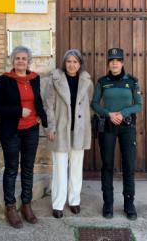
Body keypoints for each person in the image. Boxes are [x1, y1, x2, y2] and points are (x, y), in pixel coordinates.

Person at [0, 46, 48, 229]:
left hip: (31, 129)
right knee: (12, 168)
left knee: (28, 168)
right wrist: (18, 111)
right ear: (12, 61)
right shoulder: (4, 81)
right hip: (11, 131)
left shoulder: (34, 79)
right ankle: (10, 207)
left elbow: (37, 100)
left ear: (29, 61)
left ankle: (26, 204)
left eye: (24, 58)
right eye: (17, 58)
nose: (21, 61)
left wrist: (42, 117)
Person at [91, 47, 142, 220]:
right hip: (107, 126)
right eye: (111, 60)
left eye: (117, 60)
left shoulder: (132, 82)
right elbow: (95, 104)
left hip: (127, 127)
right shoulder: (102, 82)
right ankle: (108, 204)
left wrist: (123, 113)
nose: (114, 63)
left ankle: (129, 204)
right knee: (107, 165)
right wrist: (109, 114)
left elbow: (139, 105)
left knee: (128, 165)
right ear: (108, 63)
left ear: (122, 62)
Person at [44, 49, 94, 218]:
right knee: (60, 168)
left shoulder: (87, 81)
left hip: (79, 131)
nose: (72, 65)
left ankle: (74, 200)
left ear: (80, 64)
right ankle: (58, 204)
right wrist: (50, 127)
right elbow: (48, 106)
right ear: (64, 63)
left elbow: (90, 105)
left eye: (75, 62)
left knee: (76, 168)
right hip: (60, 130)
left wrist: (85, 124)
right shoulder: (55, 80)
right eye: (68, 61)